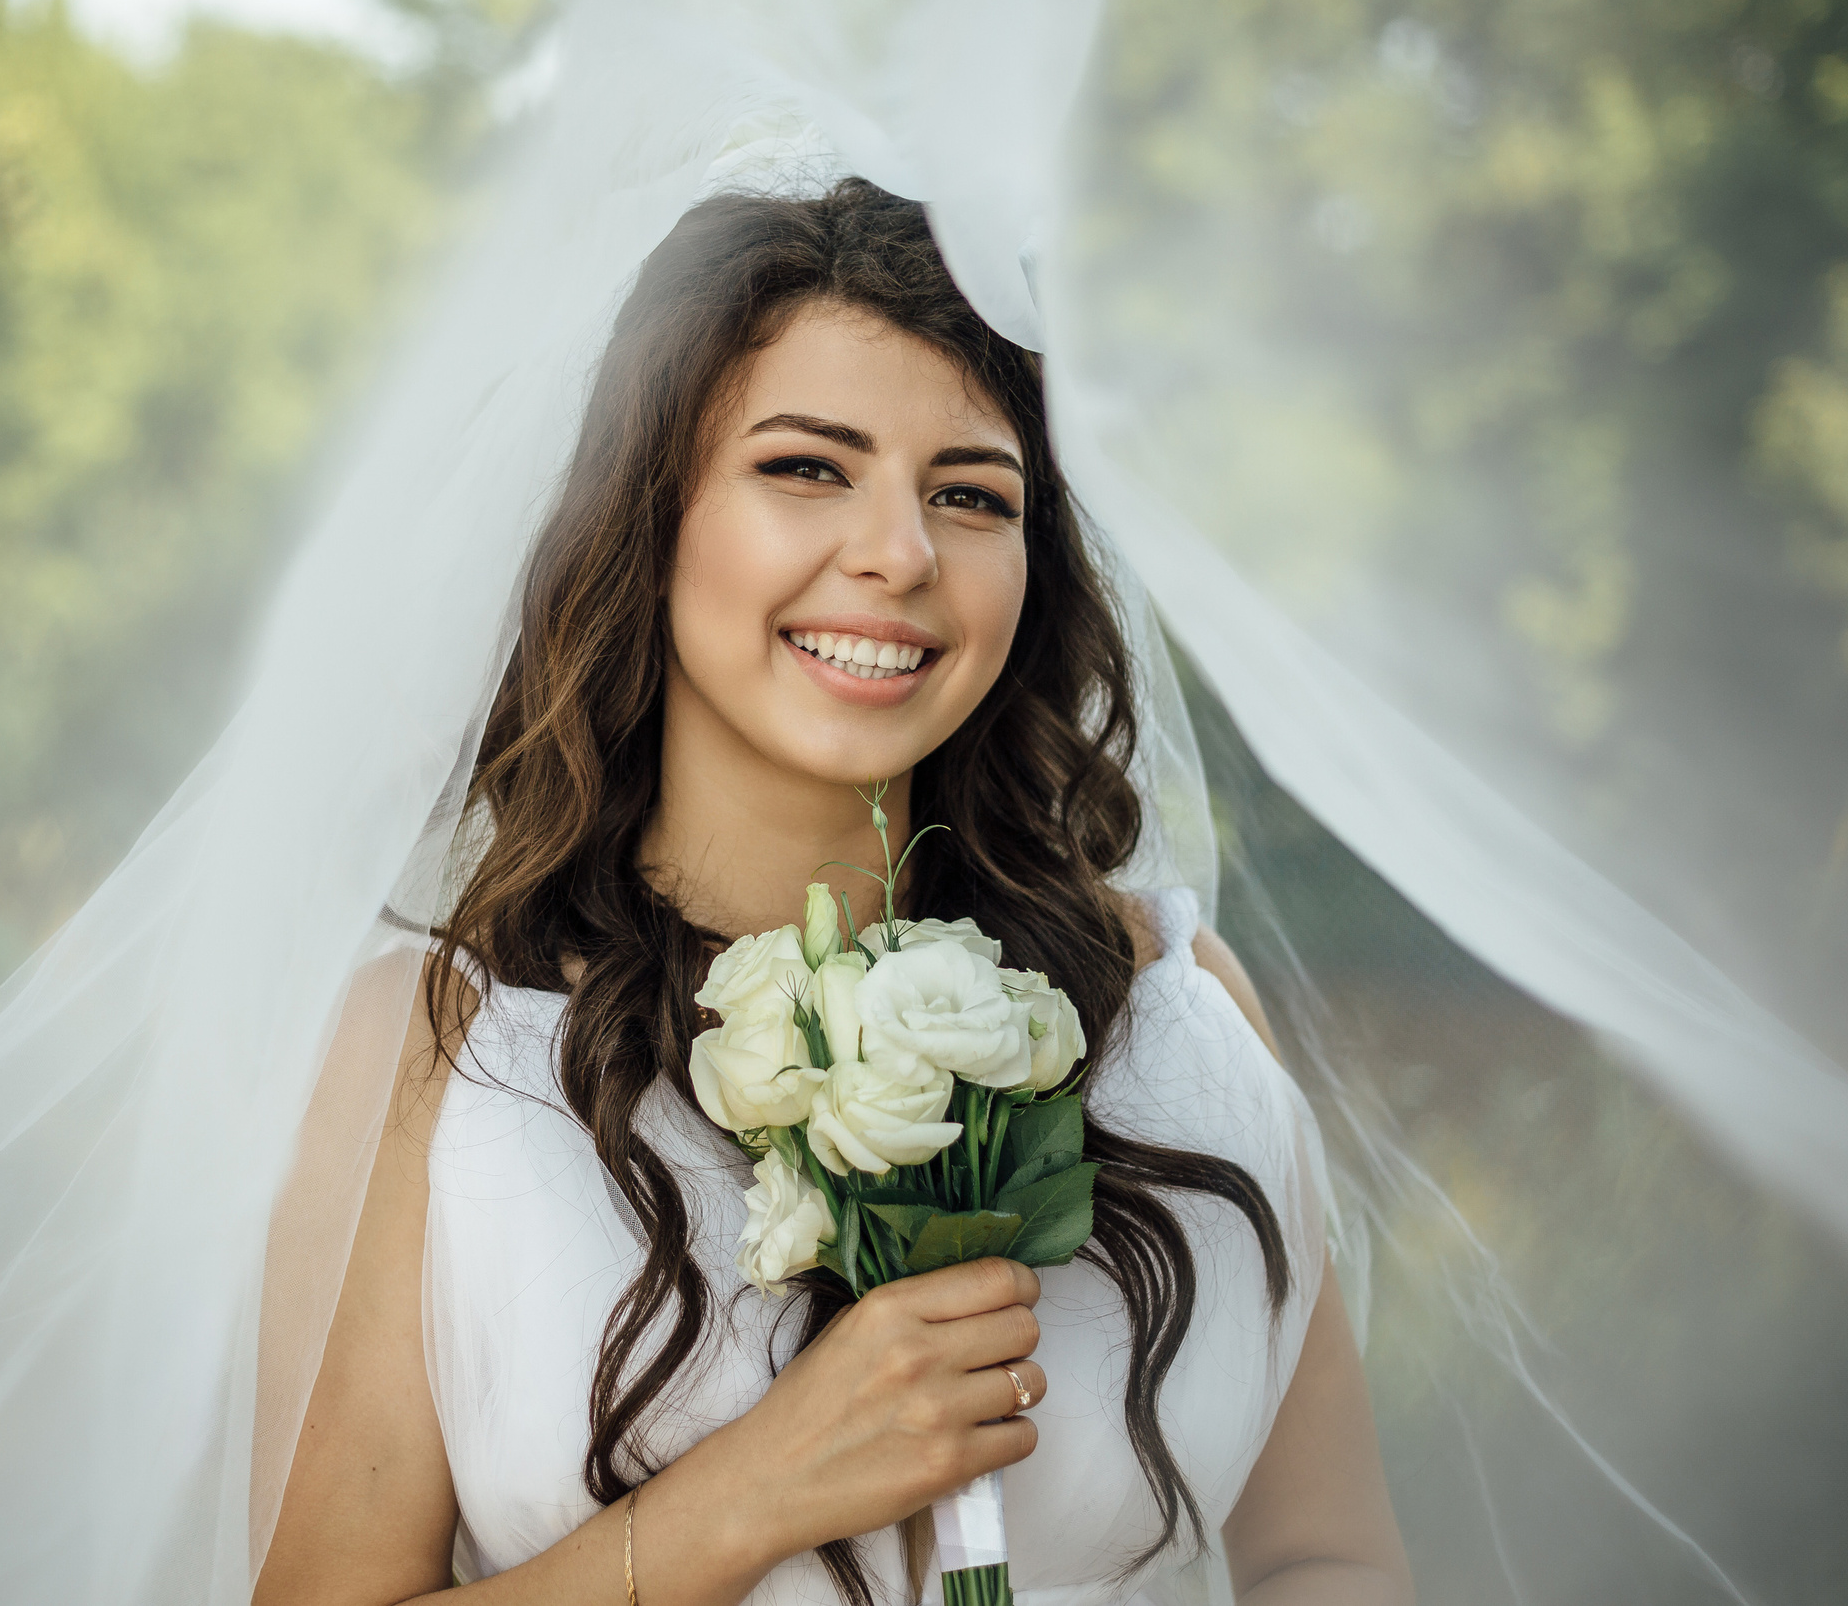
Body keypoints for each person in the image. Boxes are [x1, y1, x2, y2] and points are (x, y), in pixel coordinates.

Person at [252, 182, 1411, 1606]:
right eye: (807, 467)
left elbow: (1328, 1558)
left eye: (971, 494)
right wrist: (751, 1492)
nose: (901, 554)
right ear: (649, 516)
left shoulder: (1178, 1007)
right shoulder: (438, 1054)